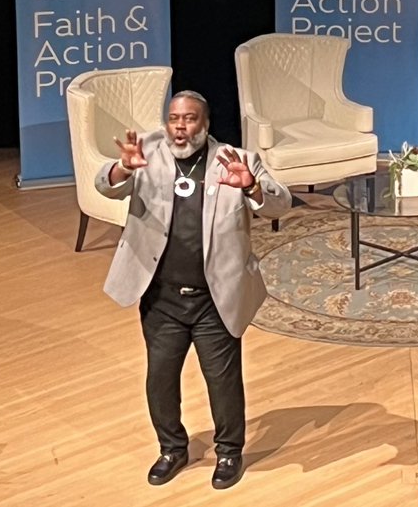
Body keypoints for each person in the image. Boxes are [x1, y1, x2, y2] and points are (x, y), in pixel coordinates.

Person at [95, 90, 289, 490]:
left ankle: (229, 452)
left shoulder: (237, 159)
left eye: (189, 119)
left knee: (222, 381)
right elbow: (104, 186)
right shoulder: (145, 151)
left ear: (205, 123)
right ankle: (172, 449)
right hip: (162, 297)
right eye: (174, 119)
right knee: (160, 379)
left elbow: (280, 204)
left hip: (214, 299)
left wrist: (251, 186)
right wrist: (122, 170)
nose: (180, 128)